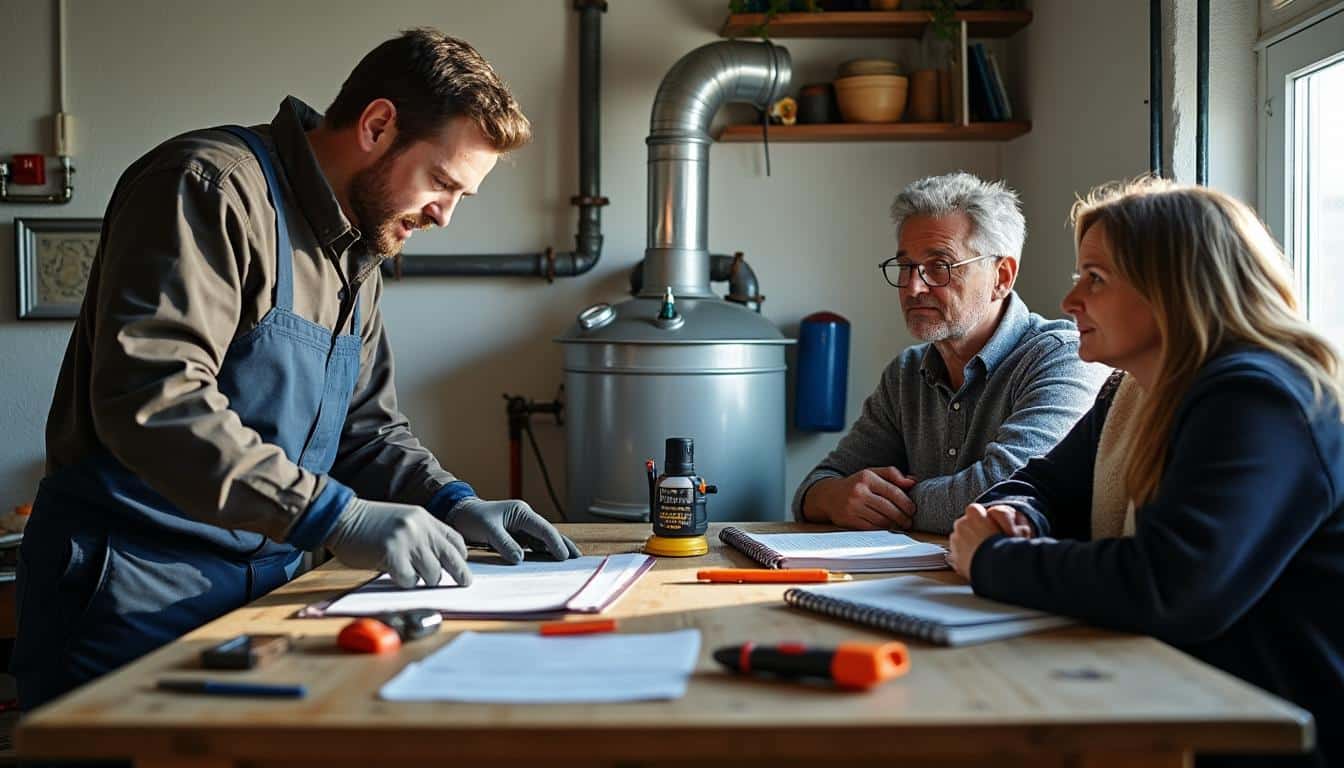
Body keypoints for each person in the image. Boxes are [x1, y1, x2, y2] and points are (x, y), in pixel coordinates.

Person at [13, 28, 580, 712]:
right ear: (377, 125)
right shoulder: (210, 188)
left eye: (463, 196)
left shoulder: (360, 248)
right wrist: (337, 516)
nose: (445, 215)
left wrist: (452, 503)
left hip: (268, 596)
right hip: (132, 596)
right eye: (441, 182)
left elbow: (366, 431)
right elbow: (155, 400)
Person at [948, 178, 1344, 768]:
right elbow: (1041, 483)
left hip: (1269, 741)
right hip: (1177, 701)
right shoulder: (1134, 390)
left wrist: (994, 558)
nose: (1069, 300)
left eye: (1095, 278)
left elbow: (1171, 587)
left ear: (1176, 288)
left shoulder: (1261, 400)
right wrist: (1018, 516)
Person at [793, 172, 1108, 534]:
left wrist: (884, 506)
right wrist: (835, 498)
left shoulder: (1064, 358)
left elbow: (1005, 491)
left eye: (938, 267)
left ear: (1002, 277)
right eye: (906, 266)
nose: (913, 287)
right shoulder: (906, 373)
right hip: (921, 583)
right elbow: (818, 484)